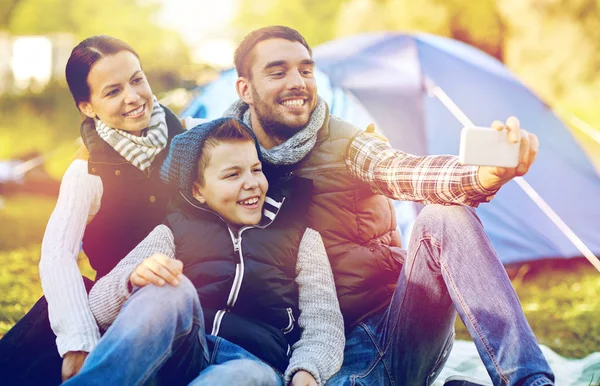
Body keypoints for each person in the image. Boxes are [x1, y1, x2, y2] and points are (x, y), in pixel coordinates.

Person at [185, 26, 554, 386]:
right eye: (278, 72)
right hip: (303, 351)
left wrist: (481, 175)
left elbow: (404, 171)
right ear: (244, 89)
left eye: (306, 70)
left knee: (444, 215)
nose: (297, 82)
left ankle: (528, 380)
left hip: (392, 327)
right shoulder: (223, 157)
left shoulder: (347, 144)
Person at [63, 117, 345, 386]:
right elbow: (98, 307)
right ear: (198, 190)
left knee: (243, 375)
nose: (252, 183)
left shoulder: (300, 238)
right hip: (185, 354)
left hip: (256, 364)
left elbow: (325, 323)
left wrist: (308, 369)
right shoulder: (173, 231)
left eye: (256, 169)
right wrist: (132, 280)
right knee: (168, 286)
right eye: (233, 174)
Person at [0, 35, 185, 384]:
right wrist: (78, 342)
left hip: (186, 297)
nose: (132, 97)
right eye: (113, 91)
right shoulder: (86, 169)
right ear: (87, 107)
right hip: (116, 305)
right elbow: (57, 253)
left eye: (136, 80)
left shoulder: (186, 138)